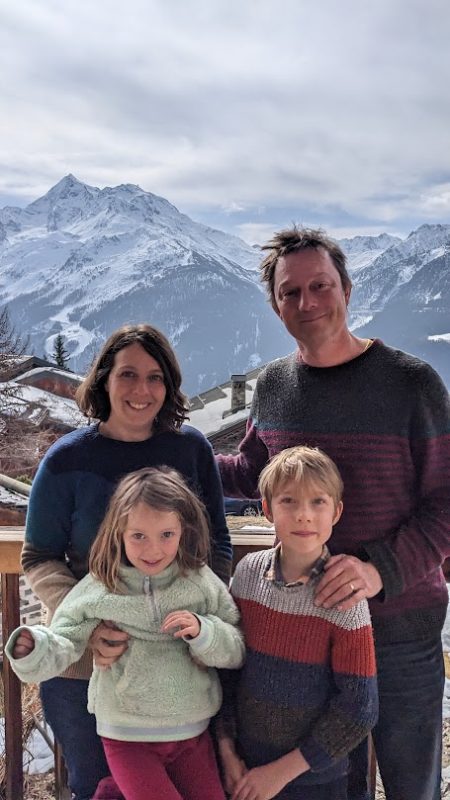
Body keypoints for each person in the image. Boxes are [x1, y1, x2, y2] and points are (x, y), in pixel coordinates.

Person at [217, 227, 450, 800]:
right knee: (332, 786)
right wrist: (164, 451)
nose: (308, 303)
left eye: (320, 285)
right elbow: (254, 473)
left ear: (346, 288)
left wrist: (377, 570)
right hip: (307, 635)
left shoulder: (411, 383)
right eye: (290, 293)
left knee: (411, 785)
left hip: (399, 628)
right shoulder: (274, 385)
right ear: (276, 306)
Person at [22, 323, 232, 800]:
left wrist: (200, 612)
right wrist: (90, 625)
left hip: (178, 668)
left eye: (156, 377)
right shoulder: (67, 460)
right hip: (86, 671)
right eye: (128, 374)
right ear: (104, 380)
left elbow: (217, 543)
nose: (142, 390)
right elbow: (39, 556)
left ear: (170, 384)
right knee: (99, 788)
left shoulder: (190, 448)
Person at [8, 467, 244, 800]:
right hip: (127, 736)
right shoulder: (102, 585)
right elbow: (66, 638)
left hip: (193, 733)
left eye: (166, 535)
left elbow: (236, 646)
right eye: (138, 536)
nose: (153, 549)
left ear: (183, 530)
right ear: (119, 532)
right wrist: (35, 649)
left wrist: (206, 633)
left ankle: (111, 793)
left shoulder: (199, 582)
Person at [218, 446, 378, 800]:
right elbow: (227, 673)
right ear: (267, 508)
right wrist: (226, 750)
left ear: (336, 511)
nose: (303, 515)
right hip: (244, 770)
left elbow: (359, 710)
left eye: (317, 502)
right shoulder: (246, 576)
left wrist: (280, 773)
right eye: (288, 501)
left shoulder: (344, 598)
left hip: (317, 781)